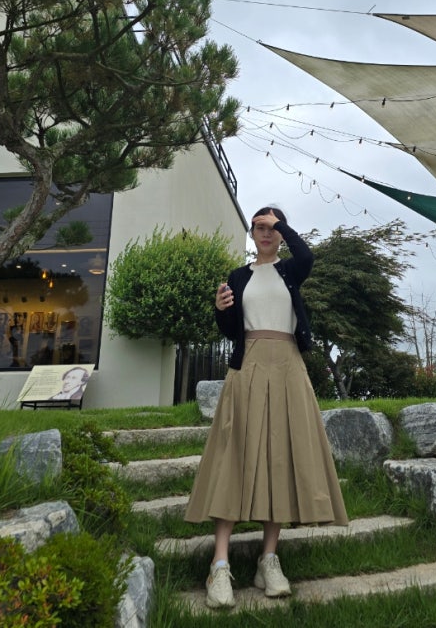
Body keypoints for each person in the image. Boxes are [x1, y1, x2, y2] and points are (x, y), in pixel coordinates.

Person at [185, 206, 348, 610]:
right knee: (234, 454)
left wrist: (283, 226)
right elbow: (230, 330)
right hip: (249, 366)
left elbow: (307, 256)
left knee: (279, 457)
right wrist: (220, 309)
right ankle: (219, 564)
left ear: (281, 232)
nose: (266, 232)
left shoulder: (291, 270)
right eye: (259, 226)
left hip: (288, 365)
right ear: (252, 232)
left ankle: (269, 560)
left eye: (273, 227)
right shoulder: (238, 276)